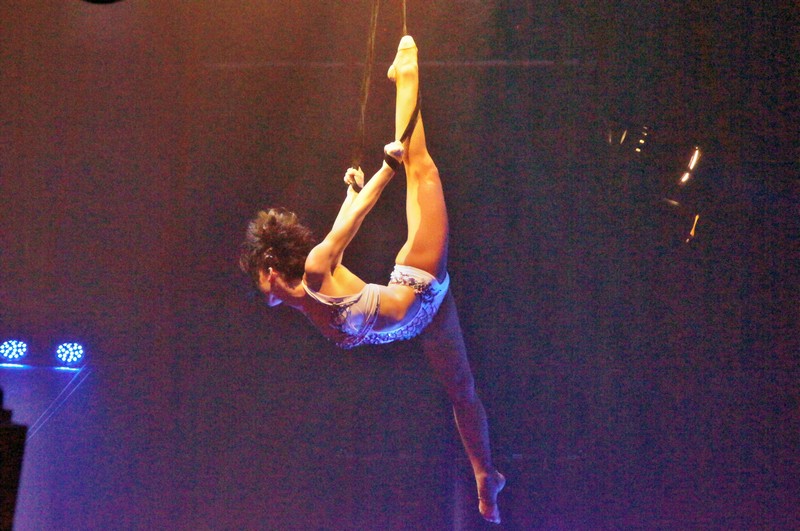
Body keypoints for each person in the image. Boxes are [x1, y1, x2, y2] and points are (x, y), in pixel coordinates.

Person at [239, 36, 506, 524]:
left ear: (271, 270)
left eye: (257, 274)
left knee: (419, 165)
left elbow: (352, 223)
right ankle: (485, 476)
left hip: (419, 284)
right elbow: (343, 225)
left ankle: (407, 69)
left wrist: (385, 169)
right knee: (462, 391)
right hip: (421, 318)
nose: (257, 288)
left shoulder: (316, 270)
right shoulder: (313, 286)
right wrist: (354, 190)